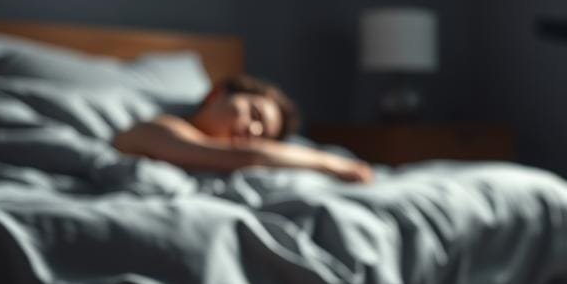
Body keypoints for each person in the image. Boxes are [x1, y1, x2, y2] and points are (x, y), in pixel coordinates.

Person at [113, 73, 373, 183]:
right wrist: (333, 164)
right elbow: (246, 157)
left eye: (265, 134)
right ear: (216, 94)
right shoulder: (157, 128)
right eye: (254, 113)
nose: (255, 133)